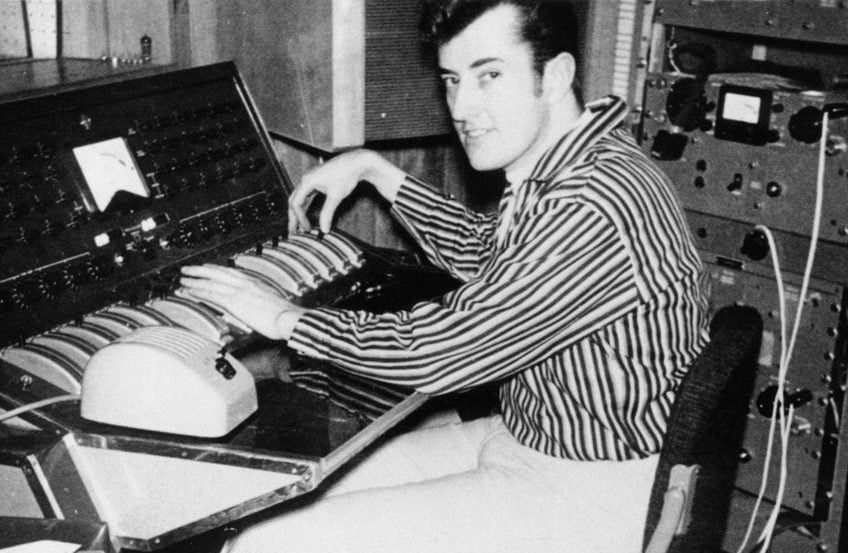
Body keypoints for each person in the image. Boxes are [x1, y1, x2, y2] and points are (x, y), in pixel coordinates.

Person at [179, 1, 709, 551]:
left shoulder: (589, 205)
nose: (462, 107)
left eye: (490, 76)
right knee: (283, 499)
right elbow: (488, 254)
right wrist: (377, 172)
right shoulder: (580, 158)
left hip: (592, 488)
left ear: (555, 76)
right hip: (531, 438)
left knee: (268, 543)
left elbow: (437, 352)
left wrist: (285, 319)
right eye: (453, 80)